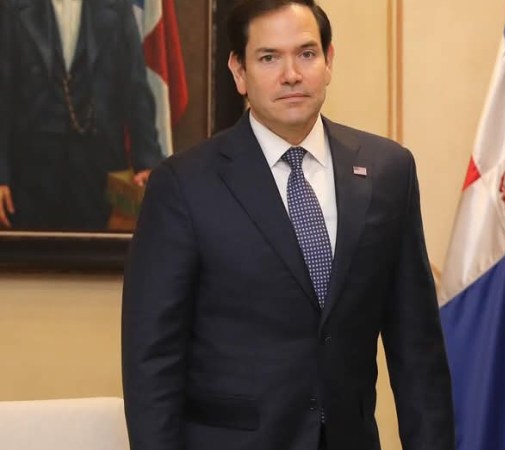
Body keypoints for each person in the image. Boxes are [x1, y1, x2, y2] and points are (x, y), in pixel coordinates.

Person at [121, 1, 454, 449]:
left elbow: (417, 347)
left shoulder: (387, 170)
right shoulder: (184, 184)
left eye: (306, 53)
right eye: (268, 58)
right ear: (239, 72)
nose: (291, 74)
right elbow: (152, 359)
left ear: (329, 60)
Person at [0, 0, 161, 230]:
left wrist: (147, 162)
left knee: (97, 249)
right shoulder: (12, 6)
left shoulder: (116, 6)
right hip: (29, 173)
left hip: (99, 170)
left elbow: (135, 89)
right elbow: (3, 96)